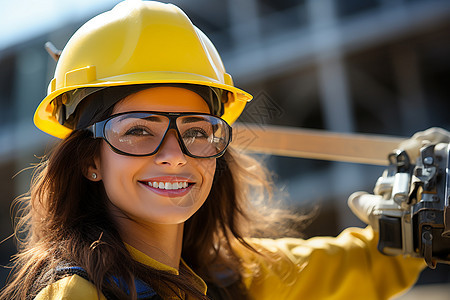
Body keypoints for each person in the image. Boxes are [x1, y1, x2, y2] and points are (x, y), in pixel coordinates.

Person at [1, 1, 438, 299]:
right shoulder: (78, 294)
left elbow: (366, 262)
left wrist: (424, 224)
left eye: (196, 131)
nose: (175, 154)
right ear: (90, 160)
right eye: (137, 130)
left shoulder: (234, 279)